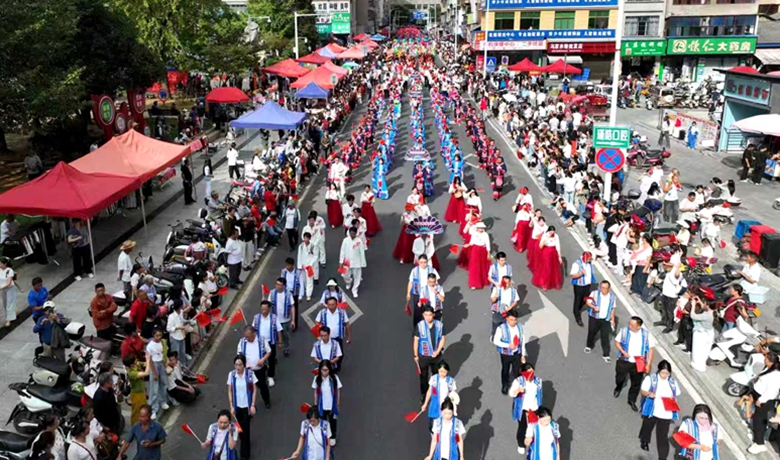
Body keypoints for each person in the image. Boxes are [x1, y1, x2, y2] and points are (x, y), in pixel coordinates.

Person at [639, 360, 680, 459]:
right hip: (652, 408)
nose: (665, 375)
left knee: (662, 436)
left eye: (667, 373)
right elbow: (643, 391)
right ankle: (644, 440)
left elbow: (676, 395)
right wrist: (649, 394)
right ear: (659, 370)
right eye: (663, 372)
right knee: (647, 426)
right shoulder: (651, 379)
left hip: (666, 412)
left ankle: (662, 457)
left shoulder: (672, 382)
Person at [614, 317, 656, 412]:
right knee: (619, 377)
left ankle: (631, 400)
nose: (630, 326)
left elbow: (651, 350)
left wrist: (648, 364)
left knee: (636, 383)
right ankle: (618, 386)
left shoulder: (646, 335)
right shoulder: (624, 331)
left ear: (639, 326)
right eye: (629, 324)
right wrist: (623, 351)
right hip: (624, 360)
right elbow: (617, 343)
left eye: (633, 325)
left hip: (639, 362)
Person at [227, 354, 256, 460]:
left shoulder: (250, 375)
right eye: (236, 365)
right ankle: (245, 442)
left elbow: (254, 390)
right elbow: (229, 390)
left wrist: (252, 405)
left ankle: (244, 455)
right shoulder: (232, 375)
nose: (238, 367)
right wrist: (231, 405)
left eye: (240, 365)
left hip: (246, 407)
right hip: (236, 407)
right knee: (239, 429)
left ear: (244, 365)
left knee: (245, 430)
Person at [510, 363, 542, 455]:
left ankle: (533, 443)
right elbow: (512, 393)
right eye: (528, 372)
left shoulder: (538, 381)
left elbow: (539, 395)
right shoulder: (519, 381)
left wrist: (539, 407)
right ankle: (521, 444)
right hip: (523, 409)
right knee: (522, 427)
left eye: (532, 371)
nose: (531, 373)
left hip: (534, 408)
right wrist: (518, 390)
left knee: (534, 426)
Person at [414, 305, 446, 399]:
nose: (428, 317)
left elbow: (443, 338)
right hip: (423, 356)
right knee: (423, 377)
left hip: (436, 356)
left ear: (433, 315)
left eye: (430, 315)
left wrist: (437, 351)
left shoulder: (439, 325)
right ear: (423, 315)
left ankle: (436, 393)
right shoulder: (420, 326)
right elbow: (416, 340)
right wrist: (415, 355)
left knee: (436, 375)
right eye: (426, 315)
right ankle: (424, 395)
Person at [237, 324, 272, 409]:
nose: (247, 338)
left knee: (263, 387)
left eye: (248, 336)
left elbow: (269, 351)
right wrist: (244, 365)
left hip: (259, 370)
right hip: (248, 371)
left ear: (253, 333)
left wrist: (263, 359)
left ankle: (266, 400)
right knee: (249, 389)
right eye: (246, 336)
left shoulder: (262, 340)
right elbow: (239, 354)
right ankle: (251, 405)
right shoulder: (242, 342)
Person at [493, 309, 526, 395]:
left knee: (517, 371)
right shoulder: (501, 328)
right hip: (505, 354)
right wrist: (508, 345)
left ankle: (519, 385)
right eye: (511, 320)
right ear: (507, 319)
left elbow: (523, 340)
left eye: (515, 320)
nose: (513, 322)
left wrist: (523, 353)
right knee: (505, 370)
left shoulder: (519, 327)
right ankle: (505, 385)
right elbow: (496, 341)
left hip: (517, 353)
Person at [585, 280, 617, 362]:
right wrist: (593, 307)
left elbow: (613, 309)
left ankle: (606, 354)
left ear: (609, 288)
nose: (603, 289)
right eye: (602, 287)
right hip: (594, 317)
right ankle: (589, 345)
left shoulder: (612, 297)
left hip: (606, 319)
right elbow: (588, 302)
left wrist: (613, 320)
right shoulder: (594, 293)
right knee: (592, 332)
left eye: (605, 288)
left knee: (605, 337)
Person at [313, 360, 342, 446]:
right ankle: (324, 436)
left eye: (326, 370)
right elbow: (315, 392)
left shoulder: (334, 378)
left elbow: (338, 391)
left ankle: (332, 436)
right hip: (322, 406)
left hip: (331, 405)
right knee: (322, 422)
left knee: (333, 422)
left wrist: (337, 404)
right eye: (322, 370)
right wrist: (315, 405)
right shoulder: (317, 379)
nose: (324, 372)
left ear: (329, 370)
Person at [315, 296, 351, 365]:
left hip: (338, 337)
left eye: (332, 305)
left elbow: (347, 324)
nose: (331, 307)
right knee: (327, 354)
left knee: (340, 354)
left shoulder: (342, 312)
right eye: (329, 305)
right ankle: (328, 367)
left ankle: (337, 365)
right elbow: (317, 322)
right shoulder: (322, 312)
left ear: (336, 304)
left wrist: (349, 336)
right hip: (326, 338)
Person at [146, 328, 170, 420]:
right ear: (153, 335)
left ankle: (162, 401)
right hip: (154, 366)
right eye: (157, 335)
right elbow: (150, 361)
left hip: (161, 364)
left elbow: (165, 354)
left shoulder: (163, 342)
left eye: (160, 335)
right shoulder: (150, 346)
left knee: (164, 384)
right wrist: (154, 373)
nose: (159, 337)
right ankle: (153, 409)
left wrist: (166, 362)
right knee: (154, 389)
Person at [459, 221, 491, 290]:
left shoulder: (485, 234)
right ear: (477, 228)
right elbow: (471, 242)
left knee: (482, 265)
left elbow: (488, 244)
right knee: (474, 266)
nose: (481, 229)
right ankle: (474, 283)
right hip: (475, 250)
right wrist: (467, 245)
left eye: (482, 228)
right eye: (480, 228)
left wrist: (488, 253)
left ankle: (483, 280)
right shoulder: (474, 233)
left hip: (483, 250)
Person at [269, 278, 296, 356]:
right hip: (275, 319)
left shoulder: (288, 294)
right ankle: (274, 353)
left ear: (283, 286)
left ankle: (286, 348)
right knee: (274, 336)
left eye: (279, 285)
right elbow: (269, 304)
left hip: (285, 319)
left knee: (285, 334)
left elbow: (292, 306)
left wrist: (293, 320)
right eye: (276, 284)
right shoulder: (272, 293)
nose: (277, 286)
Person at [339, 226, 367, 298]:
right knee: (345, 275)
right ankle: (348, 282)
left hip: (357, 262)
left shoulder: (359, 241)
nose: (352, 235)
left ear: (355, 233)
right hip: (347, 262)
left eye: (353, 233)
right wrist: (341, 261)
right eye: (351, 233)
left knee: (357, 277)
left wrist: (363, 262)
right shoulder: (345, 240)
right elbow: (342, 251)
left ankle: (355, 290)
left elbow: (362, 252)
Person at [570, 251, 596, 327]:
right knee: (578, 300)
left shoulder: (589, 263)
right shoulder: (576, 264)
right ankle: (577, 316)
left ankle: (579, 308)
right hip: (579, 286)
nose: (589, 260)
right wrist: (581, 273)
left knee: (584, 299)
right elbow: (573, 276)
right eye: (588, 259)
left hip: (587, 285)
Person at [124, 353, 151, 425]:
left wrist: (148, 361)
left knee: (143, 408)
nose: (137, 360)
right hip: (136, 394)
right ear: (131, 364)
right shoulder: (131, 373)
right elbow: (146, 373)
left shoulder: (137, 365)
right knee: (136, 412)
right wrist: (148, 359)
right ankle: (135, 426)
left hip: (142, 392)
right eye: (135, 360)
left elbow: (145, 364)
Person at [690, 295, 714, 373]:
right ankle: (700, 363)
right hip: (708, 333)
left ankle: (697, 364)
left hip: (701, 334)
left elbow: (693, 316)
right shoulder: (712, 312)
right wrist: (699, 300)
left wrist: (693, 305)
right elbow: (704, 307)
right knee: (704, 350)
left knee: (697, 349)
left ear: (708, 305)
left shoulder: (707, 315)